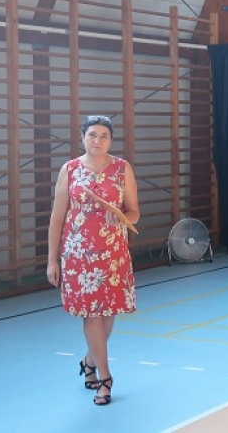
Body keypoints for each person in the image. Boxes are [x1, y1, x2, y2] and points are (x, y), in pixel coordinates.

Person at [46, 115, 140, 406]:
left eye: (103, 136)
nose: (97, 140)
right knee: (92, 314)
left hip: (113, 254)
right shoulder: (70, 170)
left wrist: (121, 217)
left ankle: (89, 361)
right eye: (92, 135)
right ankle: (105, 378)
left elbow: (134, 212)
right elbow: (57, 218)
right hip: (79, 255)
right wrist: (52, 261)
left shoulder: (122, 169)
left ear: (110, 141)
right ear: (82, 137)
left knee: (108, 313)